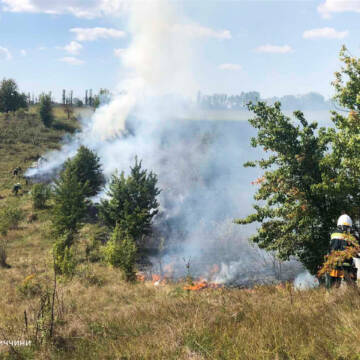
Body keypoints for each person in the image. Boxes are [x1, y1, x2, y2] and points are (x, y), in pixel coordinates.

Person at [325, 214, 359, 288]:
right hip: (346, 267)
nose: (348, 229)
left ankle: (330, 298)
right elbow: (353, 250)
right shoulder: (349, 237)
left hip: (333, 265)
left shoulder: (333, 234)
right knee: (352, 288)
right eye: (348, 227)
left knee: (332, 288)